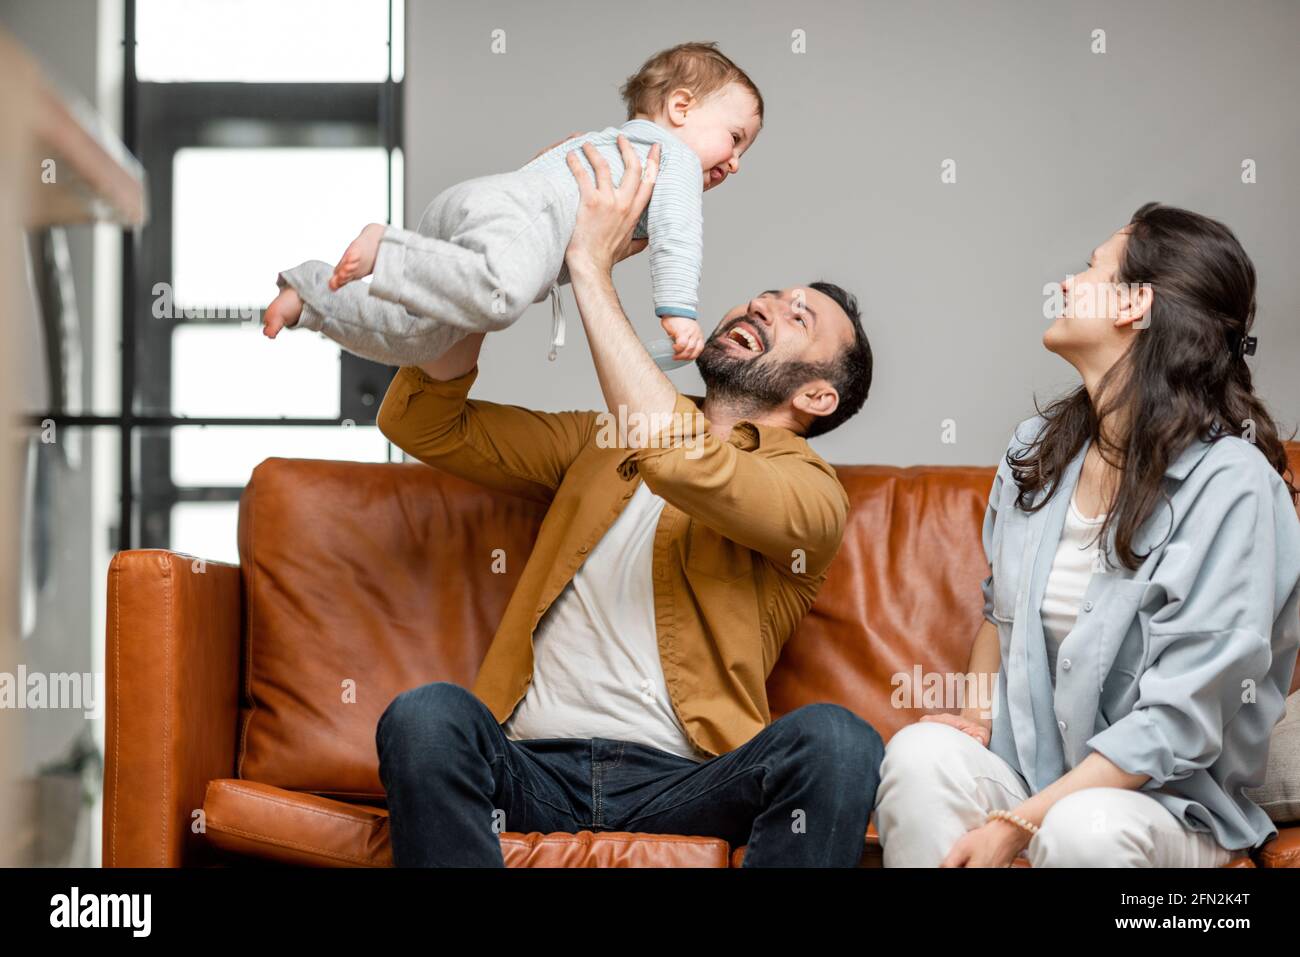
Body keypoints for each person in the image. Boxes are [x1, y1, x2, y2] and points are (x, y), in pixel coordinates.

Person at [355, 132, 881, 867]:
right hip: (529, 767)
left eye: (799, 317)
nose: (765, 302)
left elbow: (680, 459)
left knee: (836, 738)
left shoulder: (810, 495)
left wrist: (588, 265)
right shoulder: (600, 440)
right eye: (769, 293)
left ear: (817, 393)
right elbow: (421, 420)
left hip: (692, 781)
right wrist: (497, 270)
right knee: (427, 716)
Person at [874, 202, 1300, 867]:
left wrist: (1017, 823)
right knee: (919, 756)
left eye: (1091, 268)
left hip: (1165, 802)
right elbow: (999, 613)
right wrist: (980, 716)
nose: (1067, 284)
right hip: (1035, 771)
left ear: (1135, 305)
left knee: (1083, 826)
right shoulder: (1035, 450)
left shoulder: (1234, 485)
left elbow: (1178, 723)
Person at [261, 41, 763, 366]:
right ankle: (387, 248)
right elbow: (680, 237)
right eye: (735, 137)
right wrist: (678, 312)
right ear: (681, 107)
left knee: (419, 340)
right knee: (501, 299)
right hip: (518, 221)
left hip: (481, 210)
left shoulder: (608, 143)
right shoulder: (669, 158)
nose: (736, 162)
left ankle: (310, 298)